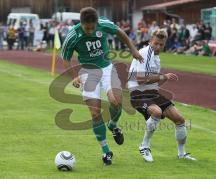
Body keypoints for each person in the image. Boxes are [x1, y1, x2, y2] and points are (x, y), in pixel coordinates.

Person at [61, 7, 143, 166]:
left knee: (116, 101)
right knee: (95, 113)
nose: (90, 31)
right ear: (82, 24)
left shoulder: (104, 24)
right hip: (87, 72)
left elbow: (120, 32)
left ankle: (113, 125)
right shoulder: (73, 35)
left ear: (97, 23)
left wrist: (132, 49)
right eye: (87, 28)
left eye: (93, 27)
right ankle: (106, 151)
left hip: (106, 69)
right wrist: (74, 76)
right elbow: (66, 57)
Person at [128, 29, 196, 162]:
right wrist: (162, 76)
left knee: (179, 119)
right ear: (150, 42)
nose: (158, 47)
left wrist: (163, 78)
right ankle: (144, 146)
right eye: (156, 43)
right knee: (157, 112)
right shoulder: (145, 52)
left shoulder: (156, 58)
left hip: (151, 93)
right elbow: (141, 79)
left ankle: (181, 154)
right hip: (137, 93)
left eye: (161, 44)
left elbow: (154, 82)